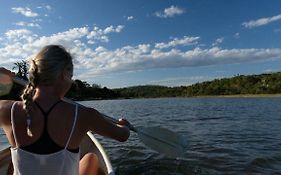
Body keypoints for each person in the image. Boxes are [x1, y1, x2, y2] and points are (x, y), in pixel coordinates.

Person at [0, 45, 131, 175]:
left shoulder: (6, 109)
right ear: (64, 74)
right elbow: (122, 136)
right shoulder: (84, 116)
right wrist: (124, 125)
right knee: (91, 158)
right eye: (71, 75)